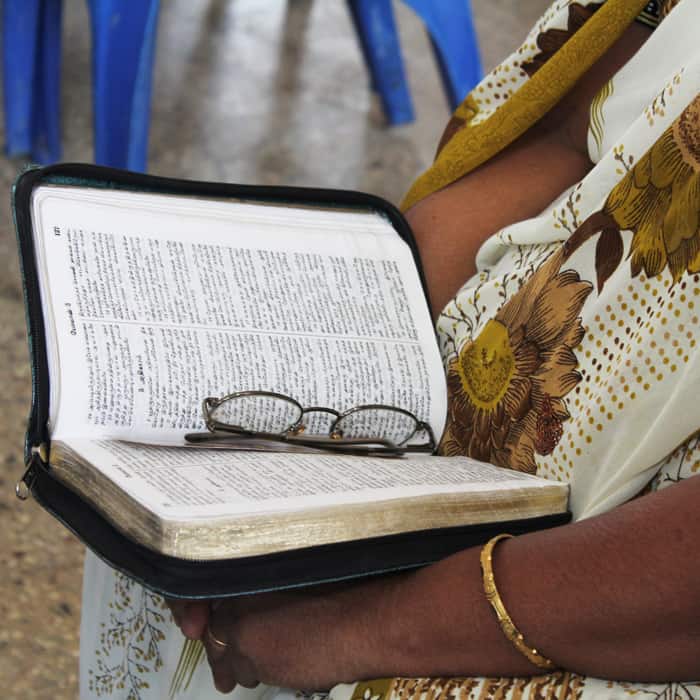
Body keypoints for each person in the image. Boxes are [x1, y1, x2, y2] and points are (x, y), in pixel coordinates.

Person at [80, 0, 700, 698]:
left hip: (611, 607)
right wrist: (334, 373)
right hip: (453, 457)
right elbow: (575, 133)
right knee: (174, 487)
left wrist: (363, 624)